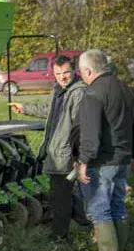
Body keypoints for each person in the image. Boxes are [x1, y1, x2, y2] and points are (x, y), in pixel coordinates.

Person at [75, 49, 134, 251]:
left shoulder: (93, 94)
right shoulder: (127, 90)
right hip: (123, 160)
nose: (81, 76)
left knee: (99, 210)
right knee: (118, 206)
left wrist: (83, 161)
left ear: (88, 70)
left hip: (102, 162)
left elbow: (90, 134)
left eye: (81, 72)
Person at [10, 54, 87, 238]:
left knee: (60, 196)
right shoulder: (59, 90)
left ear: (74, 71)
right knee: (60, 193)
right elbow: (48, 110)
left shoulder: (78, 93)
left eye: (66, 72)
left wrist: (78, 157)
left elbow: (80, 127)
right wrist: (24, 108)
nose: (62, 76)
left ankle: (61, 235)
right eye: (58, 73)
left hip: (66, 153)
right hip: (55, 151)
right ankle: (91, 222)